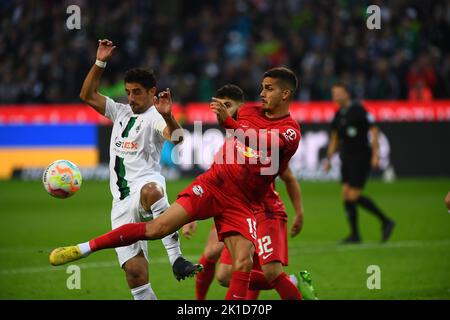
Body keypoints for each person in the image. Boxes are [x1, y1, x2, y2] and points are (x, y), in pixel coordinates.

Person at [49, 67, 301, 300]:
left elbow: (267, 143)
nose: (262, 93)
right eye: (262, 87)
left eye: (269, 88)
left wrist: (229, 124)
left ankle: (179, 261)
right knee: (157, 228)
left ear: (286, 93)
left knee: (241, 266)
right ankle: (84, 249)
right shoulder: (248, 111)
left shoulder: (290, 130)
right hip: (214, 184)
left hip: (244, 202)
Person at [63, 39, 202, 300]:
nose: (131, 97)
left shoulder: (155, 118)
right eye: (128, 91)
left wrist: (169, 116)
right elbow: (87, 95)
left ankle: (176, 259)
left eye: (137, 92)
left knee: (152, 190)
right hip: (120, 204)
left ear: (152, 92)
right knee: (136, 276)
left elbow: (178, 138)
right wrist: (100, 61)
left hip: (144, 190)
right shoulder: (120, 112)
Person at [182, 85, 317, 300]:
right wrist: (193, 215)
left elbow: (288, 176)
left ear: (240, 108)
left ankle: (289, 283)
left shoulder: (261, 137)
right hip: (236, 208)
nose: (223, 111)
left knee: (262, 272)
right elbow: (213, 178)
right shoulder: (230, 142)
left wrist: (299, 212)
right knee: (223, 273)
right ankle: (291, 281)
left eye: (228, 106)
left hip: (263, 211)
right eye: (220, 106)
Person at [324, 83, 395, 244]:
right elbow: (335, 138)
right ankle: (355, 235)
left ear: (347, 94)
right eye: (334, 94)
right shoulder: (338, 115)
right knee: (346, 194)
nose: (336, 97)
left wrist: (376, 155)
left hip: (361, 157)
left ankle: (385, 221)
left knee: (352, 196)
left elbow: (374, 130)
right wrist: (328, 159)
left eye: (339, 93)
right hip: (346, 158)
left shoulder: (358, 110)